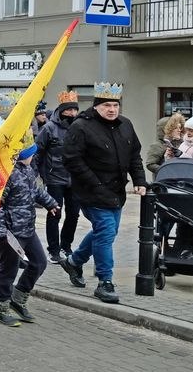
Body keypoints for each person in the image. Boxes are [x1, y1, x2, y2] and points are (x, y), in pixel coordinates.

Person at [59, 83, 147, 304]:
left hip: (116, 191)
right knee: (106, 231)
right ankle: (105, 281)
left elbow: (135, 155)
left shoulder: (126, 125)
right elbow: (72, 160)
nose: (112, 109)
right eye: (107, 105)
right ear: (97, 106)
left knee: (107, 231)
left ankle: (74, 261)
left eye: (115, 105)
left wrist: (140, 180)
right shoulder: (81, 126)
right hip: (91, 191)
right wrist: (95, 184)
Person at [0, 124, 58, 326]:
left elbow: (35, 191)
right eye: (30, 154)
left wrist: (50, 202)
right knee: (8, 270)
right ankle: (0, 308)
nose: (33, 157)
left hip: (27, 228)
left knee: (39, 263)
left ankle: (18, 298)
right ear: (20, 154)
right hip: (10, 232)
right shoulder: (3, 173)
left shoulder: (27, 170)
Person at [34, 91, 80, 262]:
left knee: (74, 213)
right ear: (61, 111)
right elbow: (38, 152)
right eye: (69, 111)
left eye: (75, 110)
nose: (72, 114)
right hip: (55, 178)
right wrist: (37, 174)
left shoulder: (79, 127)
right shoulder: (49, 128)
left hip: (75, 178)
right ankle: (53, 250)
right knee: (55, 212)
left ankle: (66, 245)